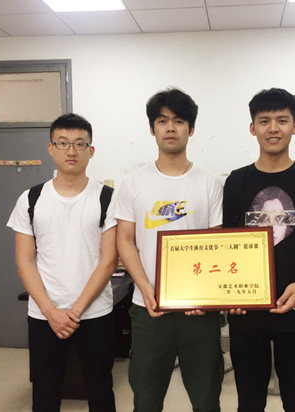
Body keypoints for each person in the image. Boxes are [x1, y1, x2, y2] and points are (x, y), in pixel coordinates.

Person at [223, 88, 295, 412]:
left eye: (282, 120)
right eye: (264, 121)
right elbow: (227, 243)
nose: (273, 128)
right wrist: (230, 294)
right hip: (247, 311)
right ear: (252, 128)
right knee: (249, 402)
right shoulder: (236, 182)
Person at [114, 88, 224, 412]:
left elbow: (217, 243)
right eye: (162, 121)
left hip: (199, 312)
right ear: (152, 129)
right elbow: (125, 240)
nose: (170, 128)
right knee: (146, 400)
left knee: (207, 400)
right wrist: (145, 287)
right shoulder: (133, 183)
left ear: (192, 128)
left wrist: (206, 295)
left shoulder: (210, 183)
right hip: (149, 309)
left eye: (179, 120)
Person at [7, 113, 118, 412]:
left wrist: (75, 311)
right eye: (63, 143)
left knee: (101, 393)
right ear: (51, 148)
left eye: (80, 144)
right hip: (44, 315)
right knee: (44, 395)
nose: (71, 150)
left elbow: (109, 260)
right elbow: (24, 260)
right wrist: (51, 311)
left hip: (95, 313)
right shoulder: (30, 199)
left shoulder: (108, 198)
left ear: (91, 151)